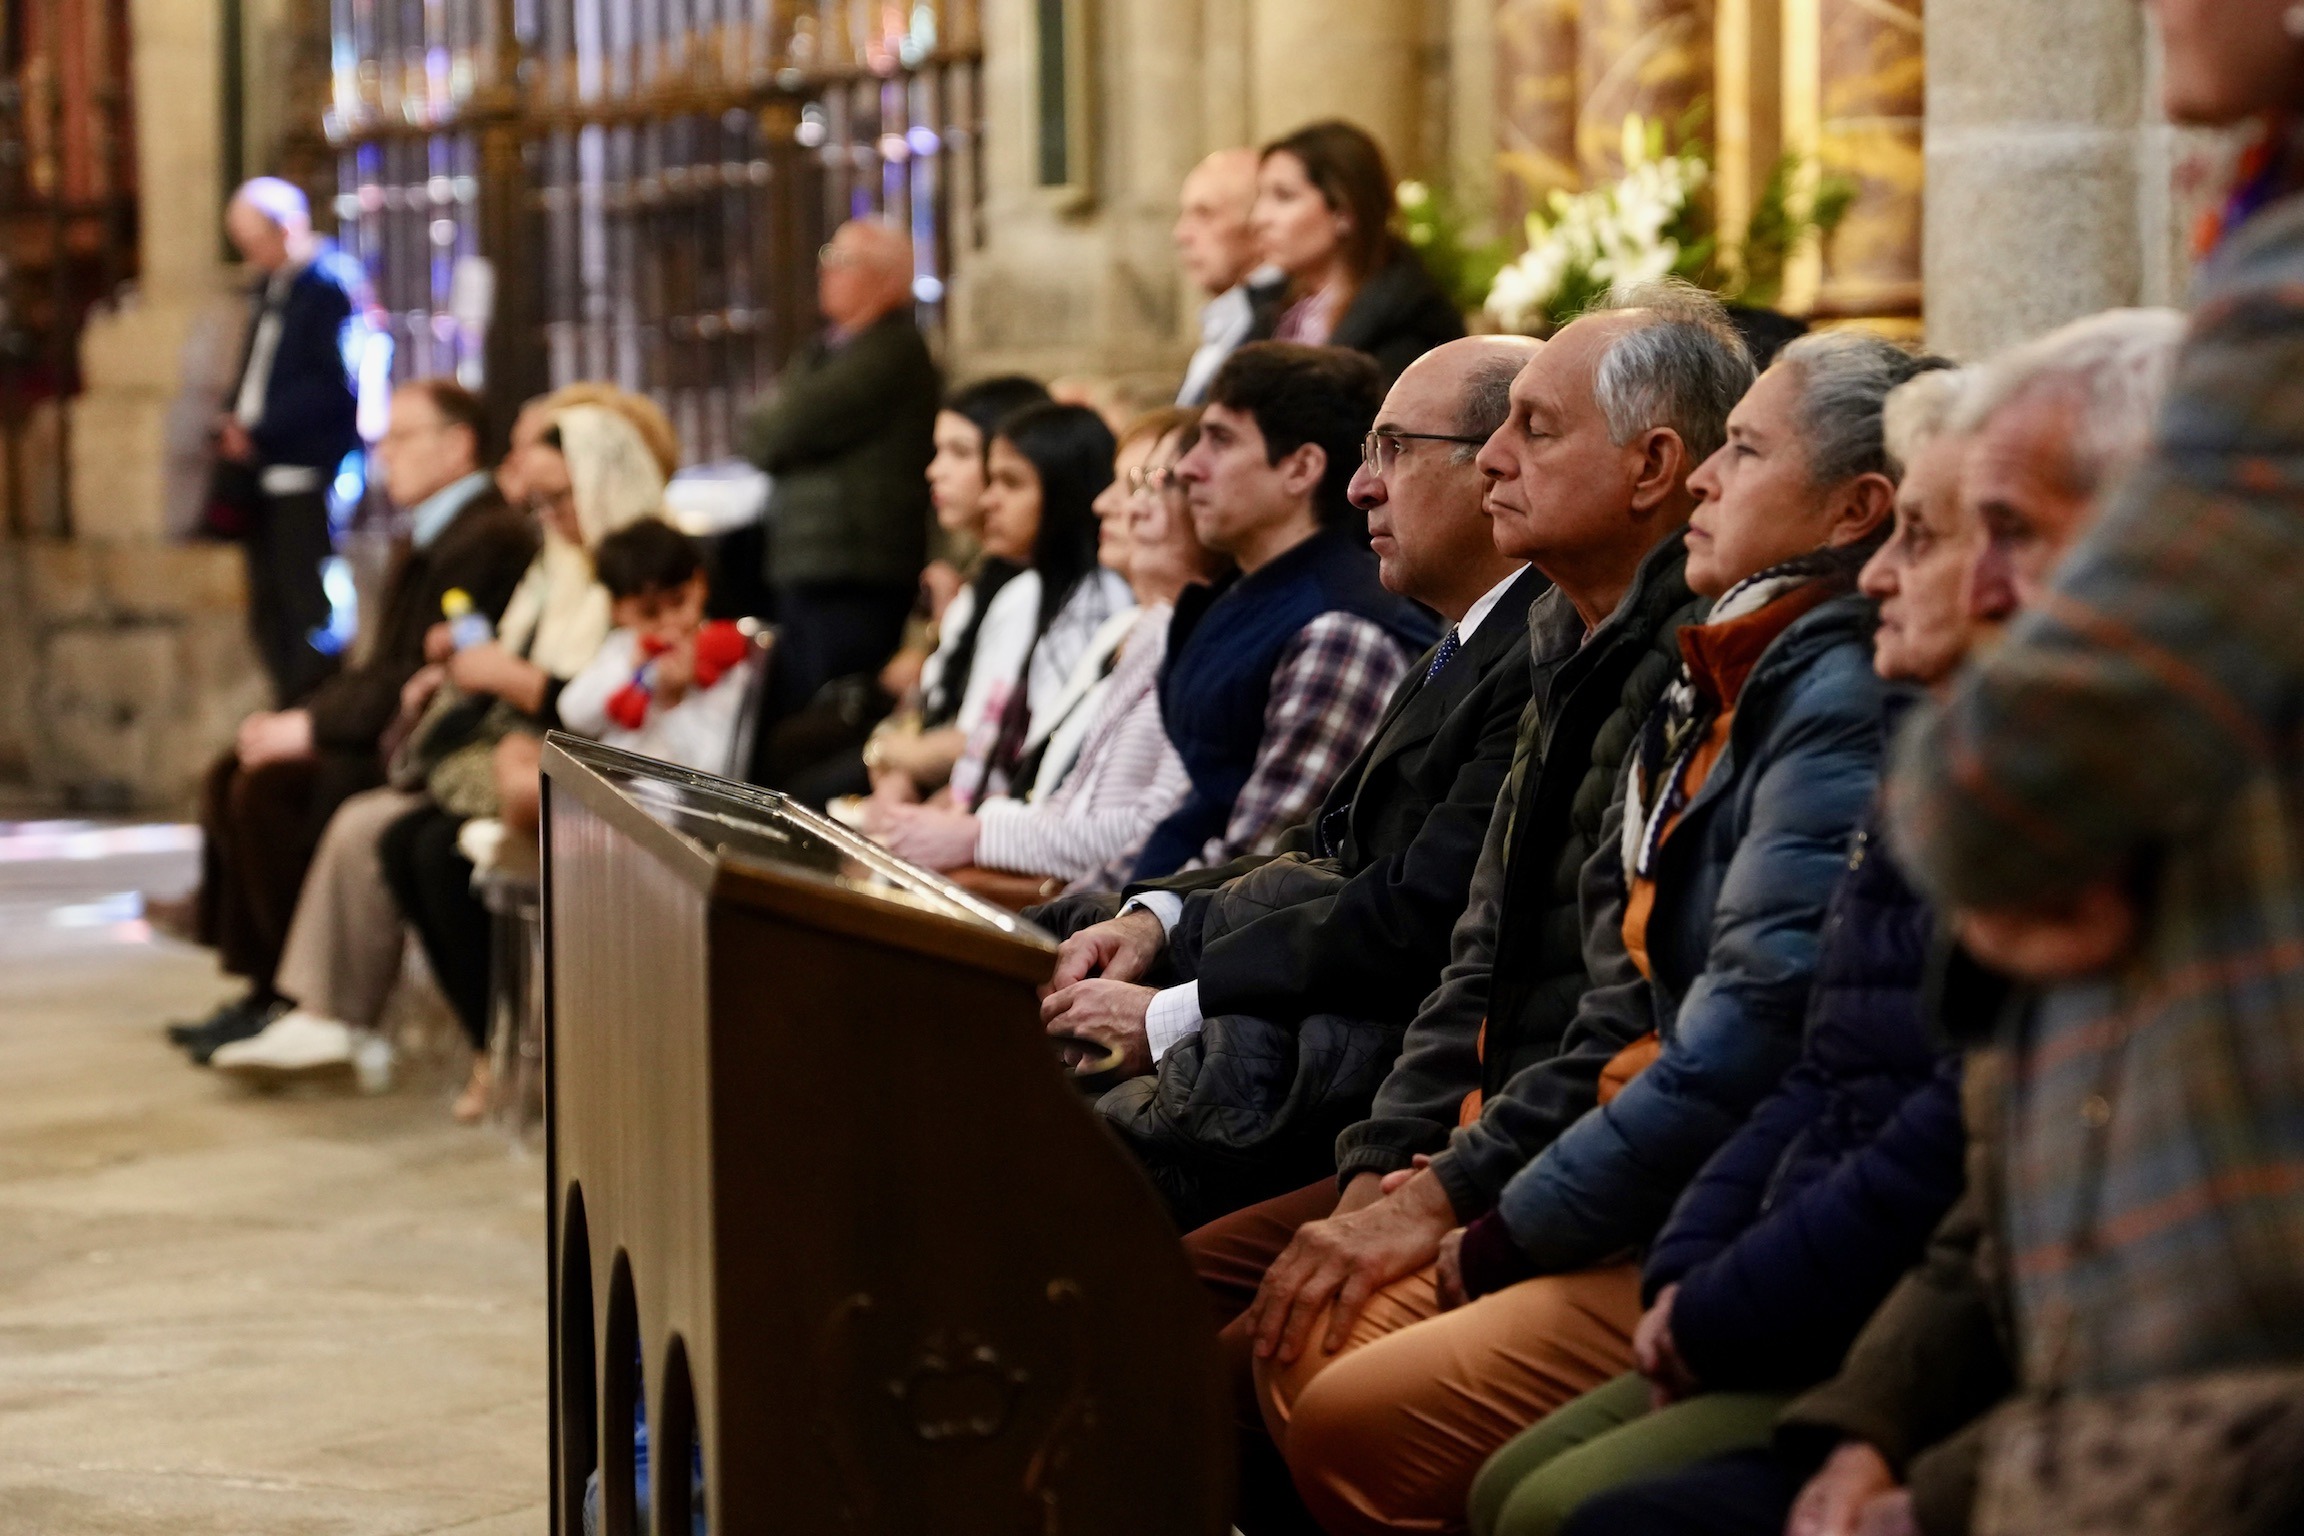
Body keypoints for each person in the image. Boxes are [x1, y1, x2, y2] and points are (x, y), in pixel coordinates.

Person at [1248, 325, 1907, 1536]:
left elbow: (1738, 1040)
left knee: (1340, 1394)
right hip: (1568, 1159)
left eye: (1745, 452)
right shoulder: (1673, 656)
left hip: (1661, 1198)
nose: (1493, 461)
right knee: (1243, 1329)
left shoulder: (1812, 689)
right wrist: (1393, 1171)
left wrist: (1482, 1214)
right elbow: (1500, 964)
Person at [1570, 309, 2188, 1536]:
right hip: (1813, 1293)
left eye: (2003, 532)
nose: (1883, 582)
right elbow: (1871, 1098)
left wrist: (1896, 1460)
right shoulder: (1928, 749)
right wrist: (1835, 1400)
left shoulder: (1872, 713)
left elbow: (1887, 1117)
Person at [1170, 287, 1743, 1530]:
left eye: (1533, 429)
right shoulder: (1562, 643)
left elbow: (1628, 1012)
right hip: (1471, 1130)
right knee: (1173, 1307)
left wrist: (1446, 1193)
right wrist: (1381, 1170)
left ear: (1654, 466)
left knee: (1299, 1371)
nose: (1492, 460)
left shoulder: (1687, 668)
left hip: (1573, 1167)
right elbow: (1474, 963)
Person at [1463, 362, 1972, 1536]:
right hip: (1693, 1218)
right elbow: (1529, 964)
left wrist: (1497, 1221)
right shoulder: (1703, 662)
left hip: (1790, 1275)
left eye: (1743, 449)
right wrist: (1430, 1163)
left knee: (1504, 1484)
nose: (1704, 476)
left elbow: (1828, 1072)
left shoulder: (1842, 696)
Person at [1035, 337, 1545, 1228]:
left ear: (1496, 465)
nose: (1363, 487)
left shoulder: (1512, 647)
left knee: (1030, 1151)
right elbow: (1319, 840)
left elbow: (1413, 912)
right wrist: (1154, 920)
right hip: (1313, 1031)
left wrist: (1173, 1010)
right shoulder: (1460, 637)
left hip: (1376, 1074)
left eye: (1394, 450)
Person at [216, 404, 665, 1107]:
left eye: (559, 498)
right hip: (511, 748)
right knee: (386, 833)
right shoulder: (550, 565)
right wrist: (459, 667)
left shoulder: (635, 561)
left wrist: (502, 675)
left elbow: (605, 696)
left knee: (408, 837)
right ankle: (359, 1018)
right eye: (540, 502)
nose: (547, 515)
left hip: (594, 760)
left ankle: (489, 1045)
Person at [172, 379, 533, 1063]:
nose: (383, 454)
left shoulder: (486, 537)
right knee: (231, 773)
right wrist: (304, 718)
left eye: (401, 437)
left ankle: (293, 996)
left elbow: (419, 676)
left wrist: (313, 730)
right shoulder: (436, 530)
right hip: (391, 722)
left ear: (457, 445)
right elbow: (383, 667)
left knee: (272, 792)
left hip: (428, 738)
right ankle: (264, 991)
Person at [1125, 342, 1433, 883]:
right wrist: (1081, 904)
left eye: (1220, 440)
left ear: (1300, 468)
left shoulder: (1338, 629)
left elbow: (1263, 864)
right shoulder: (1239, 597)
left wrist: (1132, 912)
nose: (1188, 468)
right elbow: (1198, 808)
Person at [871, 409, 1215, 890]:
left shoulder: (1172, 629)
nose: (1109, 505)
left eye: (1145, 483)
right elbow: (1056, 792)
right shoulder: (1129, 626)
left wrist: (975, 832)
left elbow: (1155, 834)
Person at [743, 218, 940, 729]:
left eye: (842, 261)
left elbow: (780, 427)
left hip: (851, 573)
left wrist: (776, 421)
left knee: (829, 717)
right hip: (813, 565)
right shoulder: (827, 349)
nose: (826, 271)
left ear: (887, 279)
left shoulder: (891, 351)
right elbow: (757, 434)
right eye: (828, 257)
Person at [892, 402, 1133, 809]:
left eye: (1011, 483)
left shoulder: (1102, 603)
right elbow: (983, 752)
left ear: (1064, 492)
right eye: (991, 481)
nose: (989, 501)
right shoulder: (1024, 591)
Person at [214, 176, 366, 706]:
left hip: (305, 471)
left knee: (309, 610)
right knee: (269, 609)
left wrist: (261, 429)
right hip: (260, 471)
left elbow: (333, 387)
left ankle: (314, 717)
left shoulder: (327, 288)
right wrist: (235, 424)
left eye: (255, 240)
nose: (250, 255)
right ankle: (287, 710)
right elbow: (259, 370)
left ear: (288, 228)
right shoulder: (270, 286)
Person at [1247, 122, 1464, 385]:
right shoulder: (1274, 307)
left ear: (1344, 211)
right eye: (1260, 197)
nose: (1258, 218)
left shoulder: (1406, 320)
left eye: (1284, 196)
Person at [560, 521, 760, 774]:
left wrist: (674, 703)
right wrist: (629, 669)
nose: (670, 623)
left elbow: (718, 766)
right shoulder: (624, 648)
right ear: (616, 610)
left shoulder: (728, 658)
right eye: (649, 613)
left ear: (700, 584)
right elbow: (573, 714)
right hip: (615, 782)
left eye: (679, 602)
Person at [1177, 148, 1273, 405]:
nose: (1181, 235)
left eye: (1204, 214)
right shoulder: (1226, 320)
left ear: (1259, 223)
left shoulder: (1282, 323)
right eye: (1184, 214)